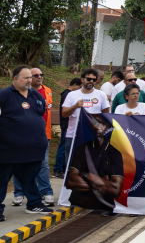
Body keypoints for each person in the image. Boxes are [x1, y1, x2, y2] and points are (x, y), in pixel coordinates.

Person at [0, 66, 53, 218]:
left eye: (30, 77)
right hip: (9, 150)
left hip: (33, 149)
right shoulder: (4, 95)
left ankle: (34, 204)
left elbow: (40, 113)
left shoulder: (35, 94)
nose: (30, 80)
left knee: (29, 178)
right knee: (2, 180)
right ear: (15, 78)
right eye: (26, 78)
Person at [65, 113, 123, 212]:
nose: (97, 127)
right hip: (79, 205)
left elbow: (115, 190)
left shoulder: (115, 153)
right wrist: (103, 182)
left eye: (100, 124)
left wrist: (85, 175)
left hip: (104, 208)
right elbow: (70, 181)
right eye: (94, 124)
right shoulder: (82, 148)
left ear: (106, 127)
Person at [62, 68, 110, 171]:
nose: (91, 81)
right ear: (82, 79)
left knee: (92, 166)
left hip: (93, 136)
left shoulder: (101, 95)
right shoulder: (72, 95)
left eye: (94, 79)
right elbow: (64, 114)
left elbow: (106, 115)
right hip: (73, 135)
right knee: (71, 166)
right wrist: (75, 106)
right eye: (88, 79)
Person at [53, 78, 82, 179]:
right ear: (75, 85)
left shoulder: (67, 94)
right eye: (79, 87)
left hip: (67, 125)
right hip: (67, 126)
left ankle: (63, 168)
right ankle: (58, 169)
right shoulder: (68, 94)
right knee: (63, 148)